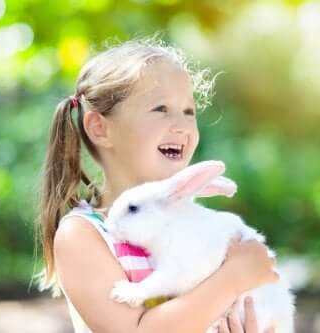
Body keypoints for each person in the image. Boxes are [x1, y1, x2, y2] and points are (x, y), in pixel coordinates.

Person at [34, 35, 279, 333]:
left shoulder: (191, 224)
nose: (182, 125)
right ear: (100, 128)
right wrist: (234, 276)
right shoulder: (82, 235)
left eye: (189, 112)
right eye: (161, 109)